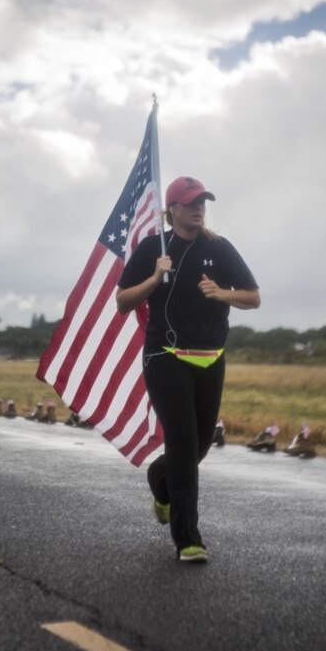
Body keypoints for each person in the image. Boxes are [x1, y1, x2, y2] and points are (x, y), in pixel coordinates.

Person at [116, 175, 260, 563]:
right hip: (165, 355)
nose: (199, 208)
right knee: (181, 443)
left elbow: (254, 297)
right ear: (173, 209)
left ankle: (160, 482)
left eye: (203, 202)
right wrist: (154, 277)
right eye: (191, 202)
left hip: (211, 358)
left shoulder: (219, 248)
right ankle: (188, 538)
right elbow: (122, 301)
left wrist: (221, 293)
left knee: (198, 446)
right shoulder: (154, 248)